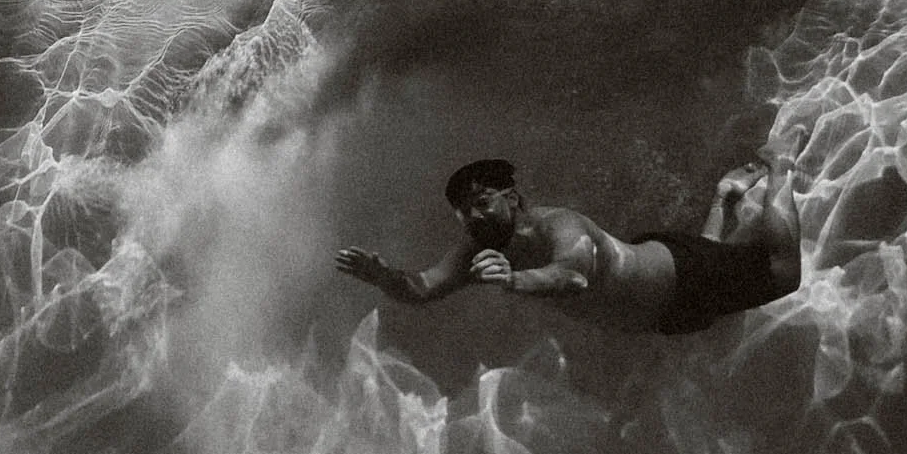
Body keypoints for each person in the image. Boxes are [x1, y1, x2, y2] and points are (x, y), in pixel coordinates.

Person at [334, 136, 806, 335]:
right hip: (664, 314)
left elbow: (573, 277)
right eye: (462, 212)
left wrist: (513, 280)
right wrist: (384, 277)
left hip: (682, 274)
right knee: (721, 283)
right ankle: (724, 198)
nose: (472, 217)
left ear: (511, 197)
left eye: (482, 202)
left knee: (785, 274)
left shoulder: (560, 225)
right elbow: (422, 289)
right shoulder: (479, 246)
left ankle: (781, 162)